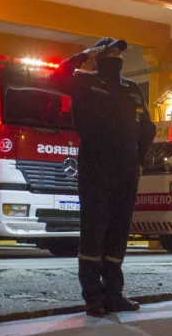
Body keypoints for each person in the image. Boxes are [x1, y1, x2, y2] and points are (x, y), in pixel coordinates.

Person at [52, 37, 156, 317]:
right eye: (109, 51)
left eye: (119, 52)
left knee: (118, 233)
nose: (116, 56)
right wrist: (85, 54)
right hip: (96, 167)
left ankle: (114, 294)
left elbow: (148, 127)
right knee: (94, 231)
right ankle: (93, 297)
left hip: (126, 170)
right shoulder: (84, 82)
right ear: (99, 56)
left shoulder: (132, 89)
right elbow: (55, 77)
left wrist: (140, 160)